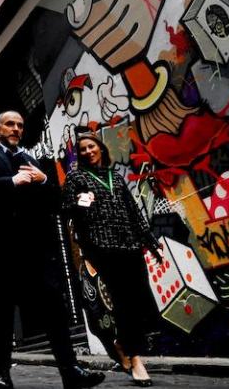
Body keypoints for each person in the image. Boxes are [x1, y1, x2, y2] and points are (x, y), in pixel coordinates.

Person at [0, 111, 105, 389]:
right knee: (4, 311)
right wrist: (11, 182)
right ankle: (2, 375)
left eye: (19, 125)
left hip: (37, 248)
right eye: (10, 124)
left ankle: (70, 371)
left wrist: (43, 180)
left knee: (54, 307)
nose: (16, 129)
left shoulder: (30, 160)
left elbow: (54, 201)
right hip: (2, 248)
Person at [62, 131, 163, 387]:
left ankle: (119, 344)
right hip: (101, 246)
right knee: (123, 301)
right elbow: (65, 211)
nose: (87, 151)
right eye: (82, 149)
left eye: (91, 146)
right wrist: (81, 202)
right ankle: (136, 359)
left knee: (139, 300)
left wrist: (151, 244)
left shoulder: (115, 177)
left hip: (130, 244)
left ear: (101, 149)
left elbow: (134, 213)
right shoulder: (76, 178)